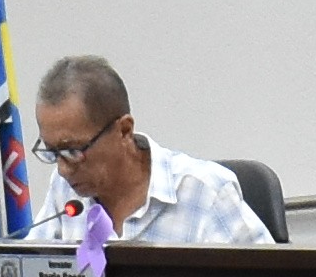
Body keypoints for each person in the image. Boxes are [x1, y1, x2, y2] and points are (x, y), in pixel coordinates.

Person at [31, 53, 270, 244]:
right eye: (52, 152)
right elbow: (27, 276)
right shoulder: (64, 190)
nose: (63, 169)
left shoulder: (207, 193)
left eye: (73, 151)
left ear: (124, 131)